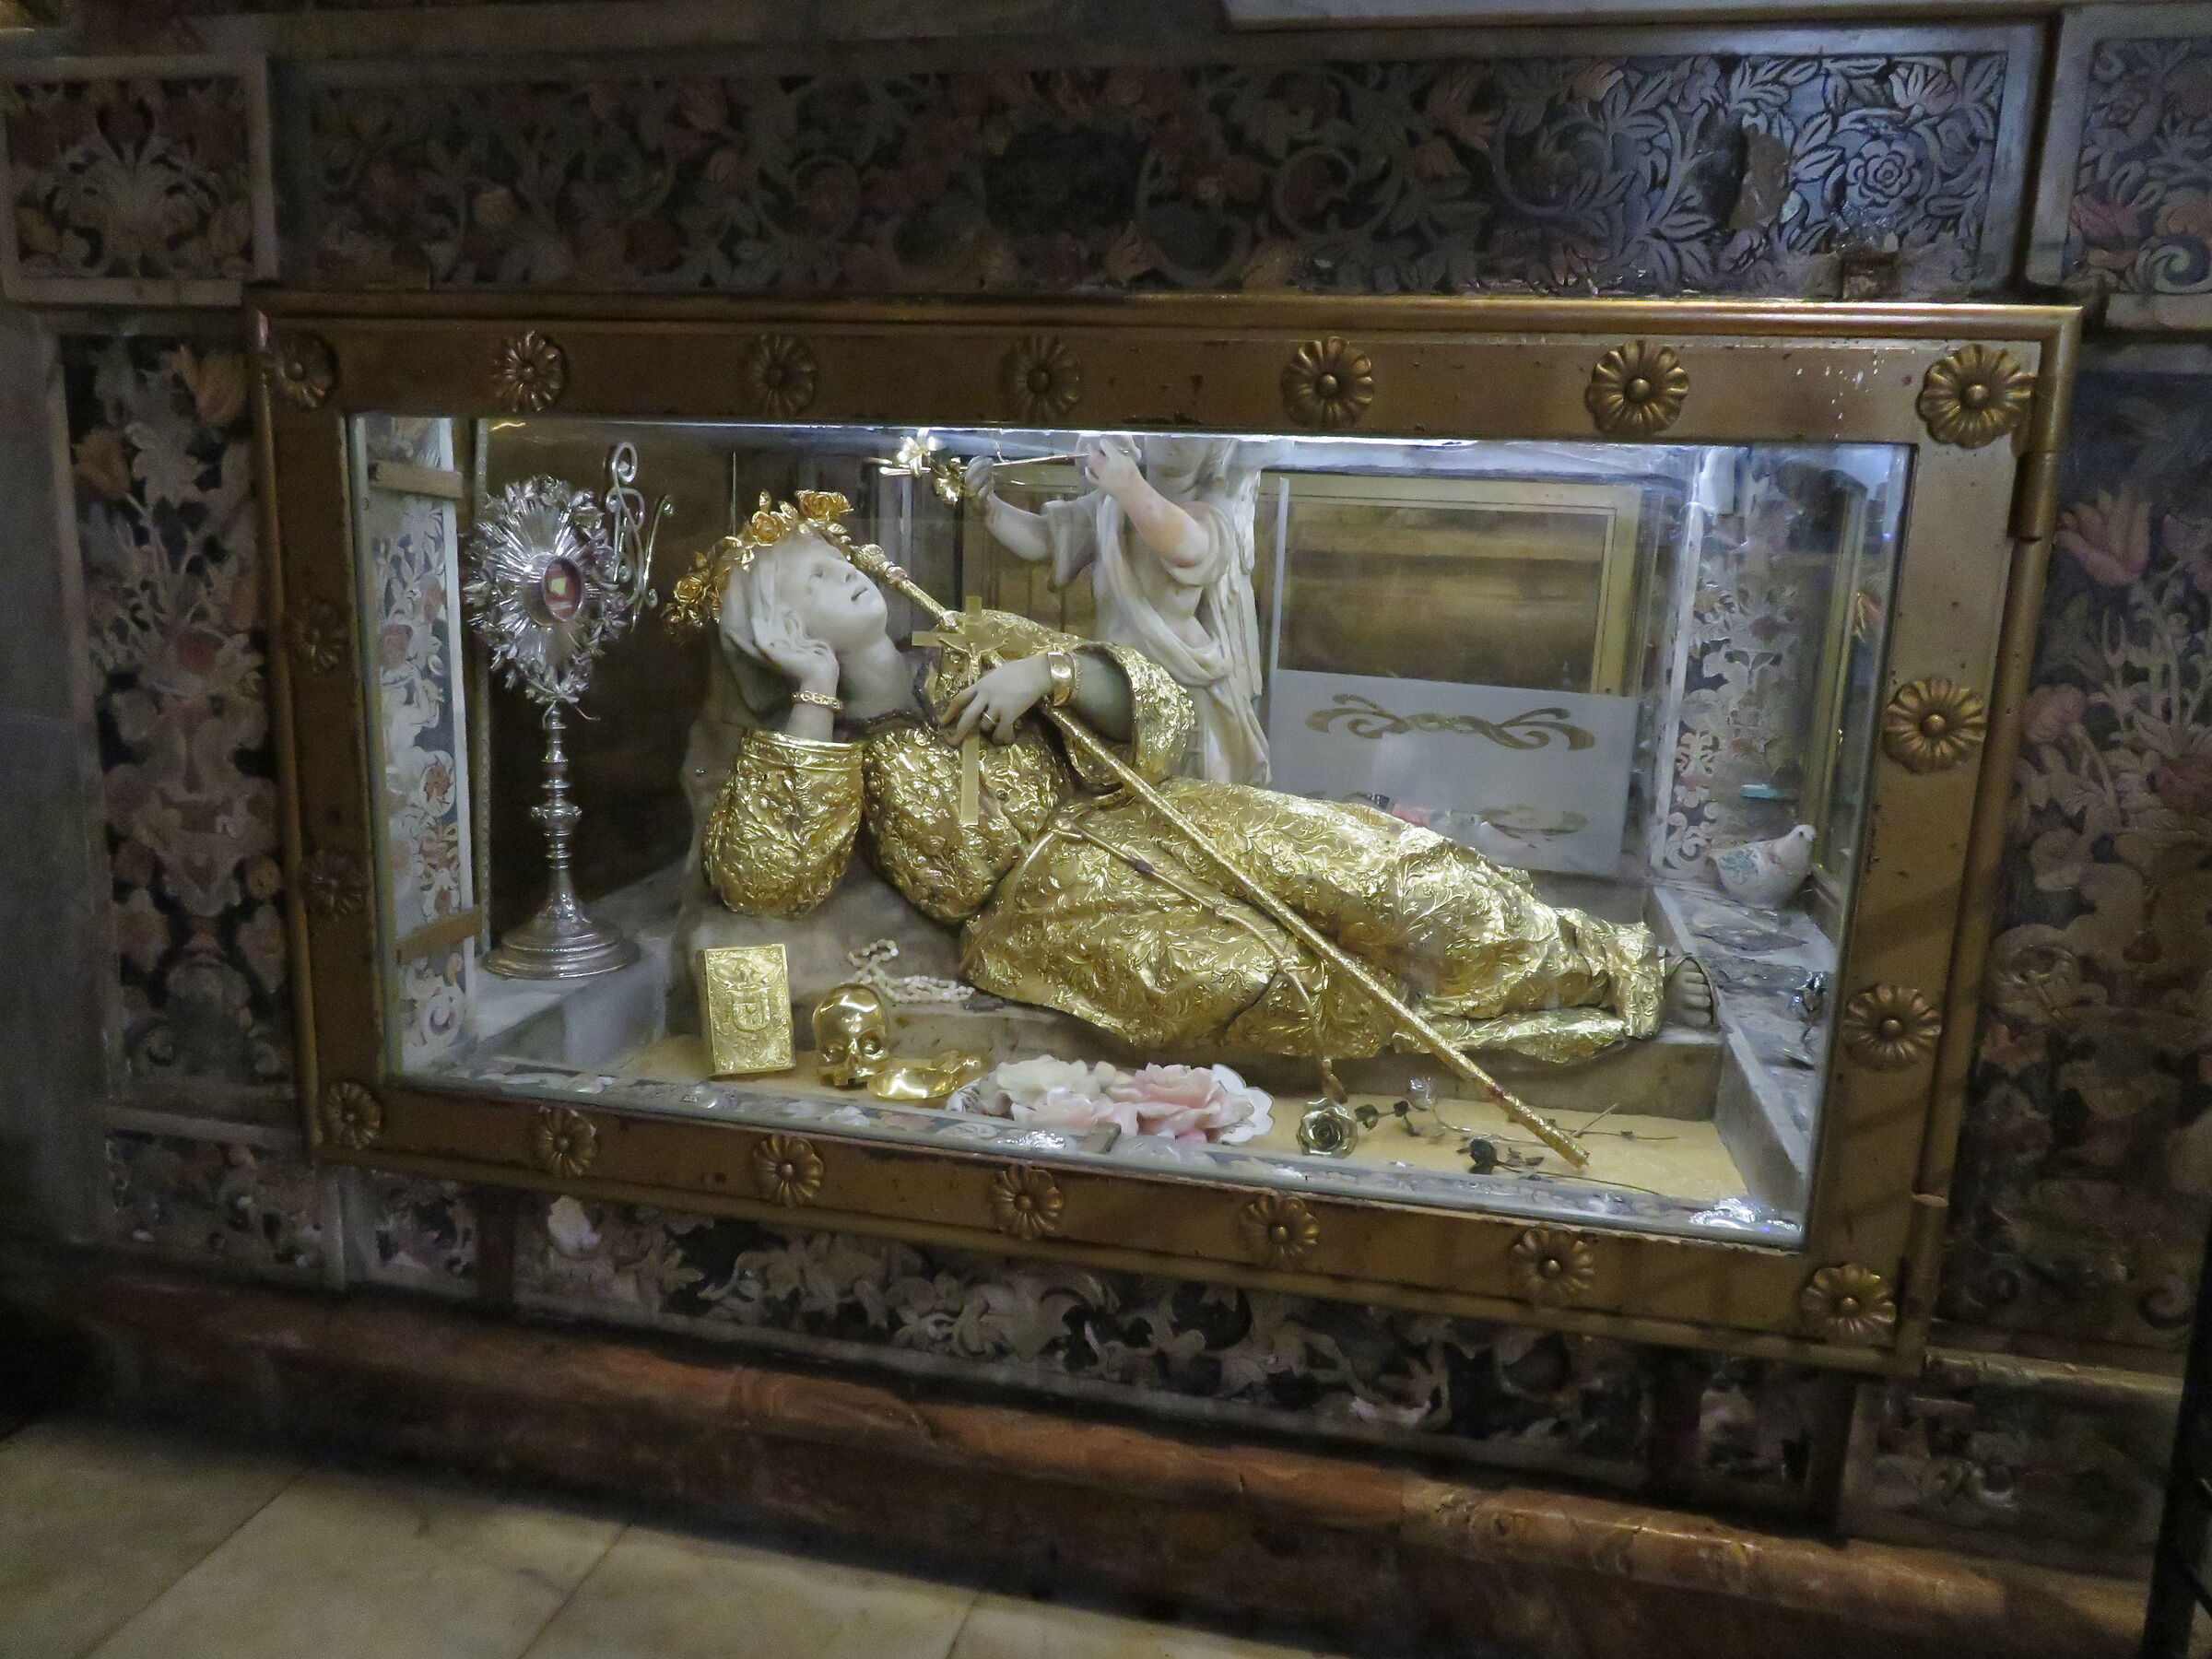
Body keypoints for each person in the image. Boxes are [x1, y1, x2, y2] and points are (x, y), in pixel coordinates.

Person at [672, 490, 1677, 1068]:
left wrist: (1053, 673)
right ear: (781, 632)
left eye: (833, 555)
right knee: (1269, 982)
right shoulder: (834, 748)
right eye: (804, 581)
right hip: (1045, 916)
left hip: (1144, 818)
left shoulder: (976, 639)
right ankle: (1508, 1024)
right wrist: (811, 698)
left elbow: (1158, 705)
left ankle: (1604, 960)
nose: (839, 569)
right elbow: (771, 883)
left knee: (1385, 872)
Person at [966, 435, 1270, 786]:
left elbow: (1185, 545)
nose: (1175, 438)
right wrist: (990, 507)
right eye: (1164, 425)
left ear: (1213, 451)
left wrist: (1129, 486)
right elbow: (1044, 539)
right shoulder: (1108, 507)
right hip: (1114, 676)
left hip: (1177, 692)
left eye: (1191, 431)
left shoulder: (1213, 520)